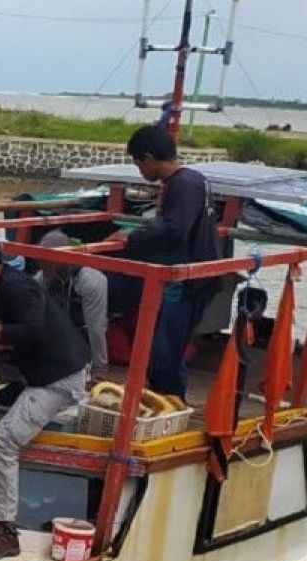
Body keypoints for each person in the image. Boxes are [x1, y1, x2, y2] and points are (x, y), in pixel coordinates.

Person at [0, 234, 90, 560]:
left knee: (1, 442)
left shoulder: (19, 288)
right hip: (32, 373)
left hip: (57, 380)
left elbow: (32, 331)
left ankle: (4, 531)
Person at [108, 125, 221, 399]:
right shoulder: (195, 180)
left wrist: (133, 237)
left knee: (165, 351)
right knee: (166, 347)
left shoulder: (182, 184)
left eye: (138, 165)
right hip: (191, 278)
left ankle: (171, 401)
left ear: (148, 158)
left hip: (186, 282)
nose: (140, 172)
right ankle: (164, 398)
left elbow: (174, 230)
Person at [36, 229, 109, 375]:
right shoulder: (41, 277)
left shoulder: (90, 281)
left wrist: (100, 367)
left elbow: (96, 328)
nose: (41, 264)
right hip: (60, 332)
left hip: (84, 330)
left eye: (47, 260)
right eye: (40, 259)